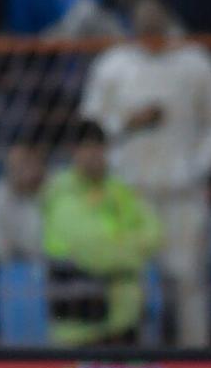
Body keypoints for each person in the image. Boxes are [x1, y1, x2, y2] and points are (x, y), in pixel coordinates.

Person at [81, 0, 211, 347]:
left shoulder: (195, 62)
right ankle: (136, 364)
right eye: (141, 18)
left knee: (188, 281)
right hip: (129, 191)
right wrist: (125, 123)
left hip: (182, 191)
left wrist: (197, 167)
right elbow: (90, 127)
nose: (148, 24)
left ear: (167, 15)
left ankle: (196, 364)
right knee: (131, 284)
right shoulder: (112, 65)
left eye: (155, 16)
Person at [42, 121, 161, 346]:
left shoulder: (118, 189)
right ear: (73, 151)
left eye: (99, 147)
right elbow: (97, 253)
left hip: (124, 322)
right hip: (78, 330)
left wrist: (117, 247)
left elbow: (155, 233)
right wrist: (133, 249)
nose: (94, 155)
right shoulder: (62, 193)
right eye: (86, 147)